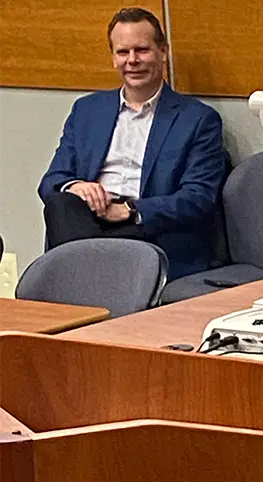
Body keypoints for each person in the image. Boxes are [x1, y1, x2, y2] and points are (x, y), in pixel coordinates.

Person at [38, 7, 226, 280]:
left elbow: (197, 198)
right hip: (88, 220)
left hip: (147, 227)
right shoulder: (87, 111)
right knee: (60, 204)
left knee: (83, 257)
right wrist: (77, 187)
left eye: (142, 50)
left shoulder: (197, 119)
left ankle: (84, 288)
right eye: (123, 52)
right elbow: (51, 181)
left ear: (163, 52)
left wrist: (129, 211)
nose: (132, 61)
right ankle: (96, 283)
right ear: (113, 57)